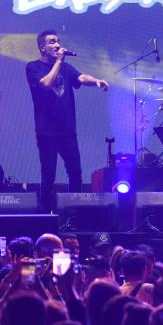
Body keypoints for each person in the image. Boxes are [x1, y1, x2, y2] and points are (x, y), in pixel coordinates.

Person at [26, 29, 109, 211]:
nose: (57, 45)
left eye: (58, 41)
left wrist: (96, 81)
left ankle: (74, 213)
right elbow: (46, 84)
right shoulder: (33, 67)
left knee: (75, 172)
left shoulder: (66, 67)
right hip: (46, 131)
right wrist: (59, 62)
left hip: (67, 131)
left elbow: (81, 77)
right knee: (48, 175)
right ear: (42, 47)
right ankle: (45, 215)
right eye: (52, 42)